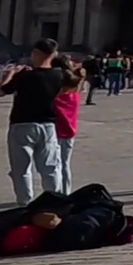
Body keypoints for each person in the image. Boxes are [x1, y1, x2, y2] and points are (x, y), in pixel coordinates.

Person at [0, 38, 66, 204]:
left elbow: (1, 91)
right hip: (48, 125)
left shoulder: (24, 76)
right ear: (54, 54)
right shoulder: (58, 75)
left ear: (36, 53)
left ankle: (25, 202)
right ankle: (53, 202)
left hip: (22, 124)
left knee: (21, 169)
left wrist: (10, 75)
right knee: (50, 167)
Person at [54, 60, 86, 194]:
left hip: (56, 132)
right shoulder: (75, 97)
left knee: (55, 164)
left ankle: (57, 190)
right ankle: (66, 191)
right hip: (70, 132)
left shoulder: (56, 99)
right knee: (65, 164)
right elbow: (79, 86)